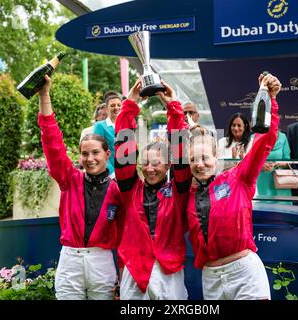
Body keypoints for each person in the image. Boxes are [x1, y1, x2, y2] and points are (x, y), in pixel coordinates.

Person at [185, 73, 281, 300]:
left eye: (205, 157)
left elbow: (264, 142)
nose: (199, 164)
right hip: (210, 279)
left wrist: (271, 101)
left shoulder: (238, 178)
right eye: (193, 159)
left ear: (216, 155)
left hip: (244, 274)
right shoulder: (186, 195)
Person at [38, 75, 124, 300]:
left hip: (102, 261)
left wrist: (124, 275)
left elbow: (127, 235)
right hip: (70, 261)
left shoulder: (118, 190)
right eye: (85, 154)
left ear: (107, 154)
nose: (90, 158)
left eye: (95, 153)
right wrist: (44, 95)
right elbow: (52, 143)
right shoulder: (70, 179)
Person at [114, 79, 191, 300]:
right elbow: (124, 152)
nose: (149, 168)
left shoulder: (178, 191)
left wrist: (173, 108)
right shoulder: (131, 191)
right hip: (135, 269)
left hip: (168, 270)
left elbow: (181, 154)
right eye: (145, 163)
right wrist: (130, 104)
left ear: (168, 165)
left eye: (156, 163)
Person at [255, 130, 292, 204]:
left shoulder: (283, 137)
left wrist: (276, 164)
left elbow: (287, 161)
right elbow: (250, 161)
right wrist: (261, 165)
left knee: (282, 213)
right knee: (261, 212)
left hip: (280, 183)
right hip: (261, 183)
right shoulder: (255, 137)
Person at [93, 91, 122, 176]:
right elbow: (98, 151)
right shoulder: (100, 126)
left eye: (119, 105)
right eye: (112, 105)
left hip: (125, 173)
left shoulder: (126, 125)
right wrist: (112, 173)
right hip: (108, 173)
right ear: (107, 108)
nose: (116, 108)